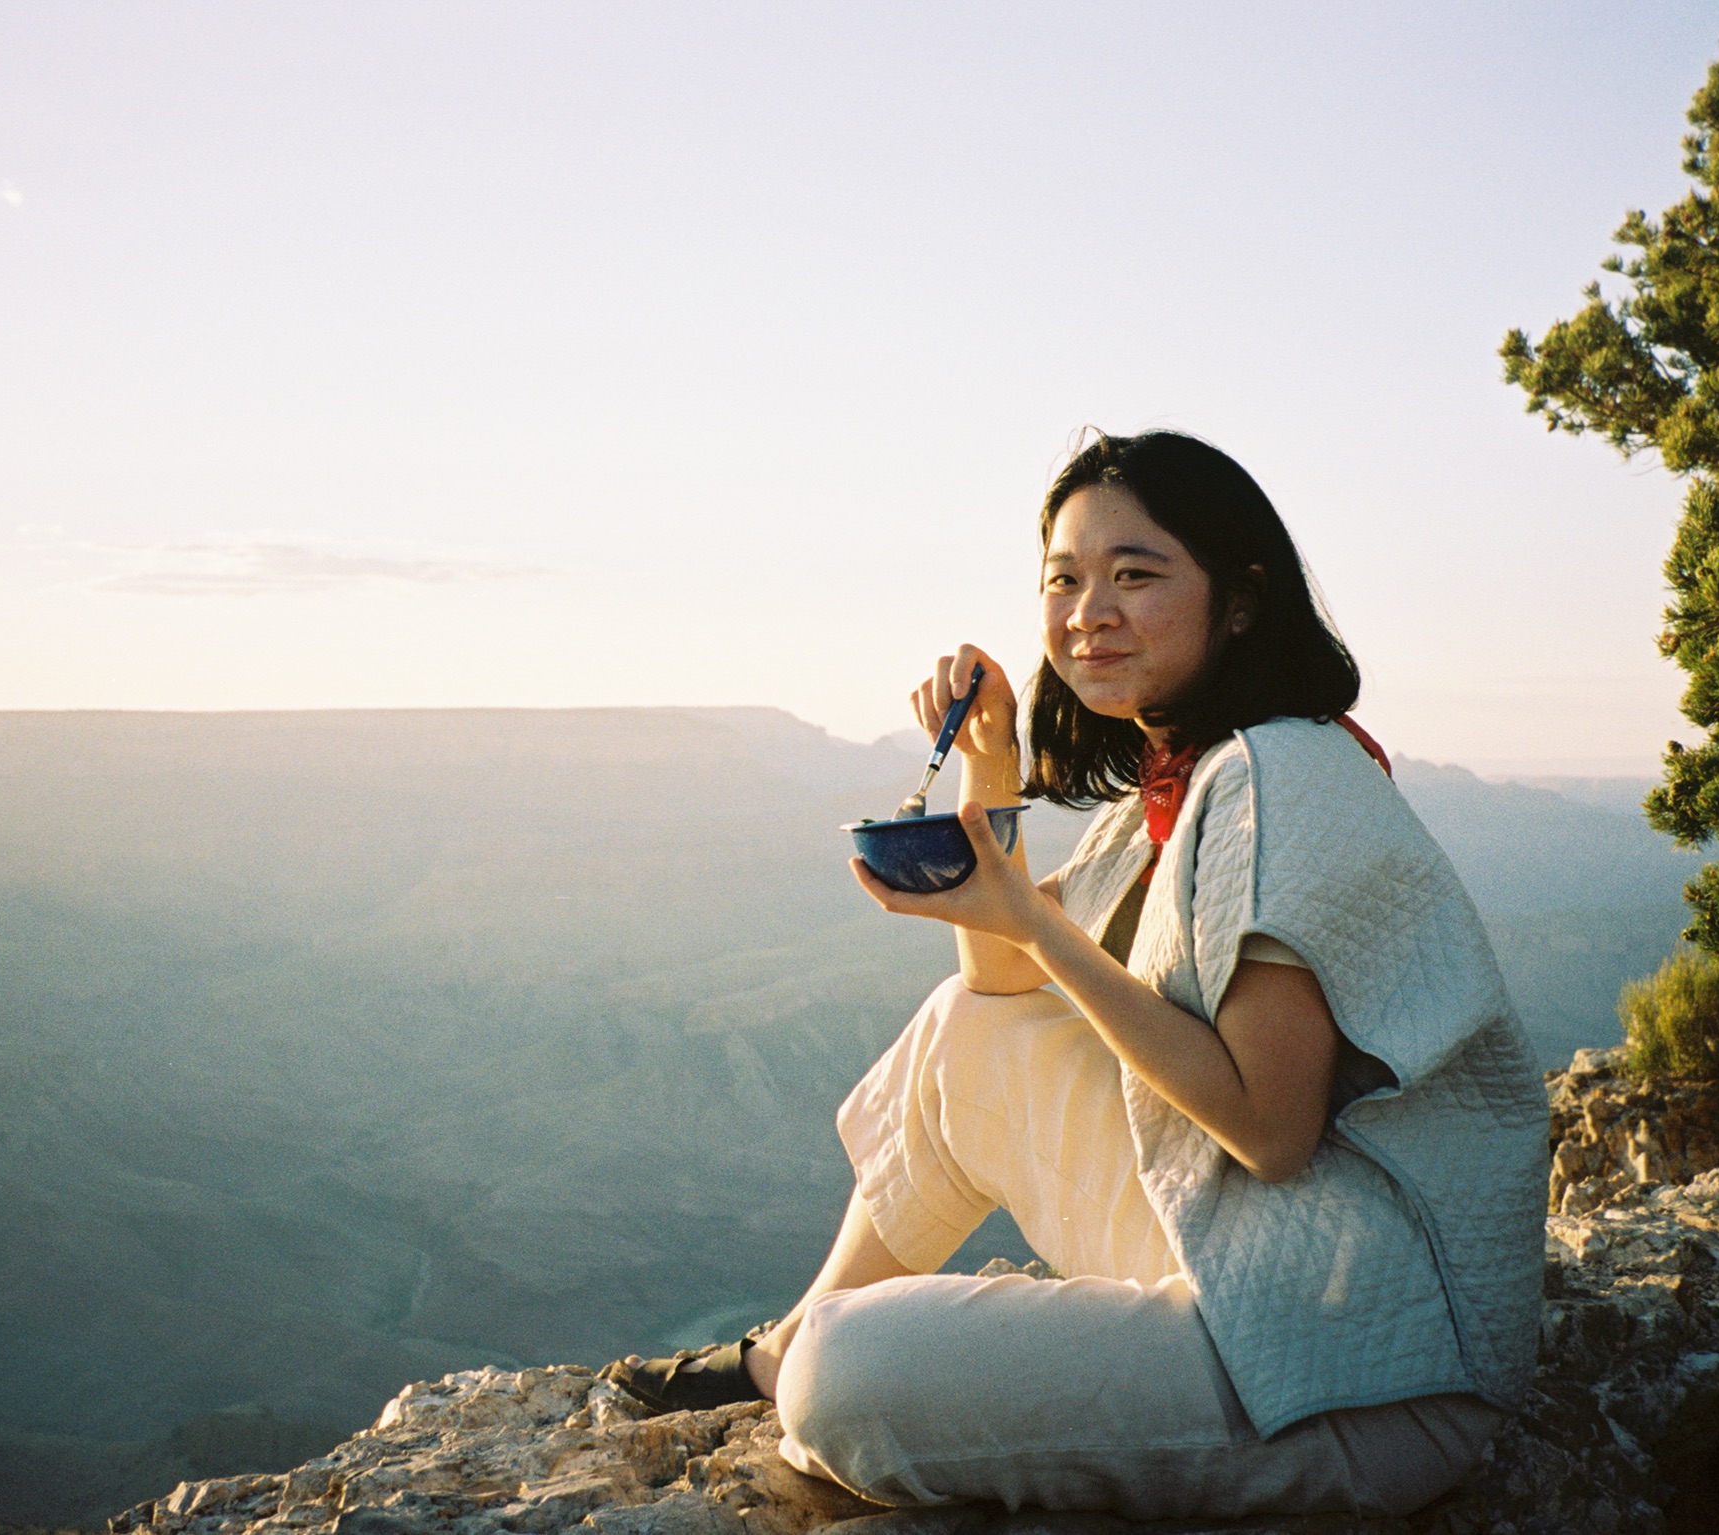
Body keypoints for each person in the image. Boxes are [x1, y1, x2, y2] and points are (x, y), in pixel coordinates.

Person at [608, 430, 1547, 1520]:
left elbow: (1269, 1125)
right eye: (1063, 577)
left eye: (1133, 574)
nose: (1085, 610)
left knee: (845, 1381)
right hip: (1273, 1263)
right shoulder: (1186, 773)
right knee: (966, 1028)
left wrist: (1039, 929)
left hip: (1363, 1376)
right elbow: (999, 983)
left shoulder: (1280, 777)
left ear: (1238, 601)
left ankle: (800, 1358)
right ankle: (778, 1343)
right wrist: (991, 761)